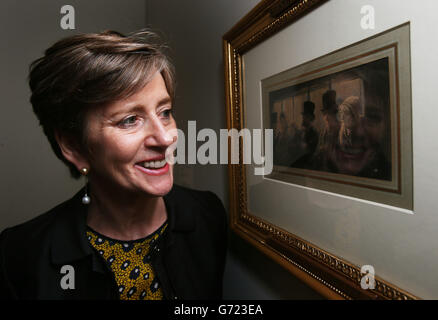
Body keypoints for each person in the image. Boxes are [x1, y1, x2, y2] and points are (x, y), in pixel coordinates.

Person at [0, 30, 227, 300]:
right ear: (73, 146)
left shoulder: (207, 214)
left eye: (165, 112)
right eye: (130, 120)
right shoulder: (18, 255)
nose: (167, 138)